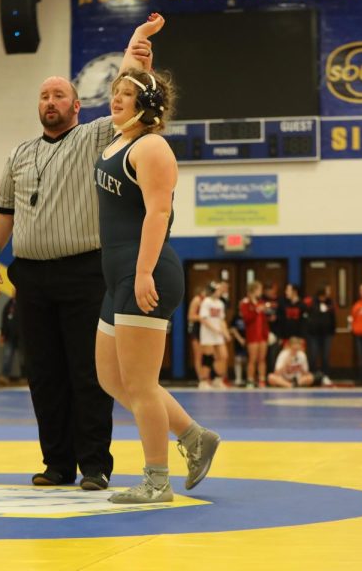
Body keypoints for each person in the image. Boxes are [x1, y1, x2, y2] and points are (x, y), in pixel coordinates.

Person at [0, 18, 157, 491]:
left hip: (83, 273)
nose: (51, 102)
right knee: (44, 376)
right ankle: (56, 464)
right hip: (31, 277)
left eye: (59, 96)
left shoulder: (95, 138)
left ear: (76, 106)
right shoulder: (18, 154)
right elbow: (2, 211)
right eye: (44, 96)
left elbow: (125, 92)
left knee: (90, 374)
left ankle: (95, 465)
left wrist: (135, 49)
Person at [91, 31, 221, 504]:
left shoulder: (151, 148)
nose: (114, 100)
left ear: (144, 105)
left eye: (124, 96)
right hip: (120, 274)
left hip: (145, 271)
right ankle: (192, 437)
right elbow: (132, 80)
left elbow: (158, 214)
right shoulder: (119, 138)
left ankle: (156, 481)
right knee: (110, 378)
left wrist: (143, 272)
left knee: (141, 385)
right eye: (113, 94)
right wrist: (135, 44)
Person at [199, 281, 230, 389]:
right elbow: (203, 319)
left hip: (218, 334)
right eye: (217, 289)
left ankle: (218, 379)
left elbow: (221, 319)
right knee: (208, 357)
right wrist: (214, 329)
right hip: (208, 334)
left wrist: (225, 332)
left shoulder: (220, 303)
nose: (220, 291)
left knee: (223, 355)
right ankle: (203, 381)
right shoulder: (206, 302)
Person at [240, 281, 271, 389]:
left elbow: (265, 319)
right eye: (259, 289)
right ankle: (250, 380)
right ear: (254, 290)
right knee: (252, 359)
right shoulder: (245, 303)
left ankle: (262, 379)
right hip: (252, 335)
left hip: (262, 335)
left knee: (262, 359)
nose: (261, 292)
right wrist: (257, 310)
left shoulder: (261, 302)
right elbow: (246, 319)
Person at [306, 285, 336, 377]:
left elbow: (333, 317)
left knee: (325, 356)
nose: (329, 292)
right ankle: (312, 375)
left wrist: (332, 330)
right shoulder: (312, 302)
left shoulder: (330, 302)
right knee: (313, 355)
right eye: (327, 290)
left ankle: (325, 375)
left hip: (327, 334)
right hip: (313, 334)